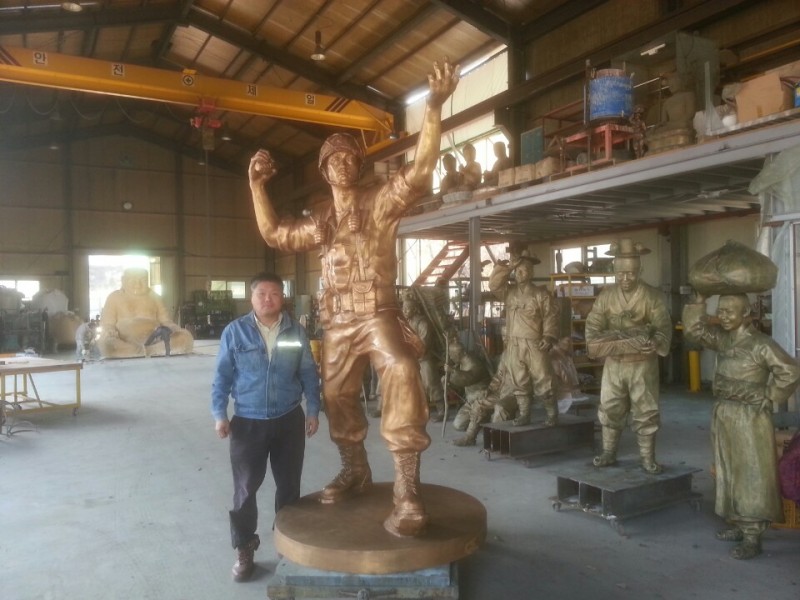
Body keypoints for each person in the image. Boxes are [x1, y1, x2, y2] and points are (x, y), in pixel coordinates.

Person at [247, 58, 459, 538]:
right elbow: (274, 233)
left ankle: (407, 488)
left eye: (350, 158)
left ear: (358, 167)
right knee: (336, 395)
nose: (343, 164)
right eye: (334, 160)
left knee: (401, 368)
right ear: (324, 171)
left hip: (377, 314)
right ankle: (355, 468)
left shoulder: (379, 203)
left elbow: (422, 171)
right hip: (338, 322)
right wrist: (257, 185)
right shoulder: (320, 222)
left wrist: (433, 108)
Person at [211, 272, 320, 582]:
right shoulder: (235, 332)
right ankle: (244, 549)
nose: (268, 299)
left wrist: (313, 410)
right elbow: (222, 376)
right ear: (252, 297)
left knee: (289, 488)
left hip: (288, 419)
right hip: (248, 422)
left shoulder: (296, 331)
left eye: (274, 294)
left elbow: (309, 374)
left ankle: (287, 545)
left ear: (282, 297)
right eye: (262, 294)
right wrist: (219, 414)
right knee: (245, 490)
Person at [683, 293, 800, 559]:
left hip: (750, 416)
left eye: (729, 311)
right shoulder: (723, 339)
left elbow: (790, 370)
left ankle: (752, 535)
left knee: (752, 471)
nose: (723, 316)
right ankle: (738, 521)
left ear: (746, 312)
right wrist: (698, 302)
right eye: (720, 310)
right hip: (724, 411)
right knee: (729, 468)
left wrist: (769, 394)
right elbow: (694, 330)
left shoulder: (761, 344)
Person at [585, 238, 672, 473]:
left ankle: (647, 458)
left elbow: (663, 326)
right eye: (621, 274)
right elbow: (593, 323)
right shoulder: (606, 296)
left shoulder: (652, 296)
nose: (625, 279)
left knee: (645, 410)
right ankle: (608, 452)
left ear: (640, 271)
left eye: (631, 274)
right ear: (614, 271)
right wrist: (596, 343)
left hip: (642, 364)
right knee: (610, 407)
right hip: (614, 363)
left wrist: (655, 342)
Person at [487, 254, 560, 427]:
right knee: (519, 380)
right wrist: (507, 268)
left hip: (534, 344)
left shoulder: (541, 294)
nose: (520, 274)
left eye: (524, 270)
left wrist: (548, 336)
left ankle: (552, 414)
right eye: (517, 271)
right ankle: (524, 414)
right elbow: (494, 285)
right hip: (513, 344)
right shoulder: (509, 293)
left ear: (531, 272)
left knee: (544, 379)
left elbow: (551, 316)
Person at [97, 268, 193, 358]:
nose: (138, 284)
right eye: (133, 280)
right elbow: (107, 324)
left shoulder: (155, 297)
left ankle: (148, 351)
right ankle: (137, 351)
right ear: (124, 281)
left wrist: (174, 328)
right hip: (124, 341)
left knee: (185, 337)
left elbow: (166, 321)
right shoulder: (114, 297)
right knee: (107, 343)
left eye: (142, 280)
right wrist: (109, 330)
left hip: (154, 341)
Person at [402, 292, 445, 421]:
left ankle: (441, 411)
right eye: (403, 308)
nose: (405, 311)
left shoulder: (423, 323)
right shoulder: (404, 322)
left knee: (431, 383)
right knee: (412, 385)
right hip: (410, 359)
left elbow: (424, 342)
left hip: (424, 358)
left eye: (408, 308)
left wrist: (413, 352)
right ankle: (420, 410)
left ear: (415, 309)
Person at [444, 339, 491, 431]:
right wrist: (448, 381)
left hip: (481, 398)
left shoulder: (474, 362)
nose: (450, 357)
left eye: (452, 355)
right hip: (470, 400)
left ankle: (485, 416)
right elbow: (459, 383)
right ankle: (478, 419)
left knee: (466, 423)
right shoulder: (460, 363)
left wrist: (453, 371)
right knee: (458, 425)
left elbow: (469, 378)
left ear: (459, 353)